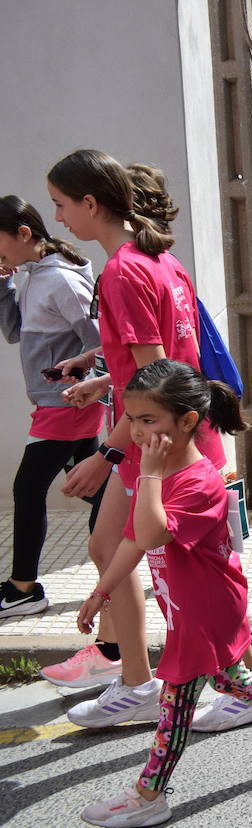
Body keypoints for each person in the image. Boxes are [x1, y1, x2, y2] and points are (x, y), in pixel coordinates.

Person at [75, 360, 252, 828]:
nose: (135, 431)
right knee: (230, 680)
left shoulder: (196, 481)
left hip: (206, 611)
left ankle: (148, 796)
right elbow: (131, 539)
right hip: (188, 607)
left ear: (187, 421)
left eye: (148, 421)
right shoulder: (159, 475)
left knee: (175, 708)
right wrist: (100, 591)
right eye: (131, 419)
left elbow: (151, 535)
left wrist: (148, 473)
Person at [39, 152, 229, 729]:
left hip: (161, 447)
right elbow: (154, 364)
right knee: (107, 550)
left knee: (200, 581)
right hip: (168, 439)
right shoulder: (160, 260)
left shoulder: (123, 271)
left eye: (62, 205)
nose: (60, 218)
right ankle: (138, 681)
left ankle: (247, 691)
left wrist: (106, 454)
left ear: (91, 204)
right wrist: (105, 381)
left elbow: (156, 385)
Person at [0, 196, 104, 618]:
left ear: (24, 234)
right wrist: (3, 282)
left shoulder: (60, 280)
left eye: (0, 246)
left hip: (66, 404)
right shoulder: (33, 275)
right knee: (97, 488)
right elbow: (13, 333)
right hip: (57, 403)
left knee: (27, 489)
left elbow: (100, 341)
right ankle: (154, 547)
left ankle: (24, 587)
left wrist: (86, 380)